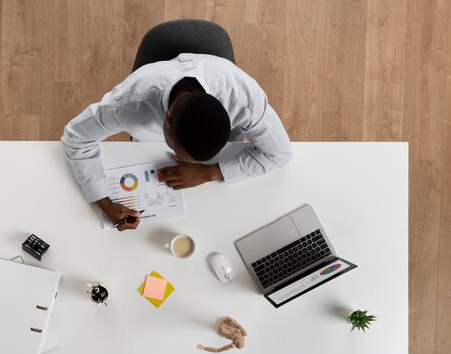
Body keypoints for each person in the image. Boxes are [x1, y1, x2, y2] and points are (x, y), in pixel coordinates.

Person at [61, 53, 293, 231]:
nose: (181, 160)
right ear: (167, 120)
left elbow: (280, 154)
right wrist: (104, 202)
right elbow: (76, 137)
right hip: (146, 148)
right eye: (177, 151)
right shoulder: (128, 104)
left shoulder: (244, 100)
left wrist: (210, 172)